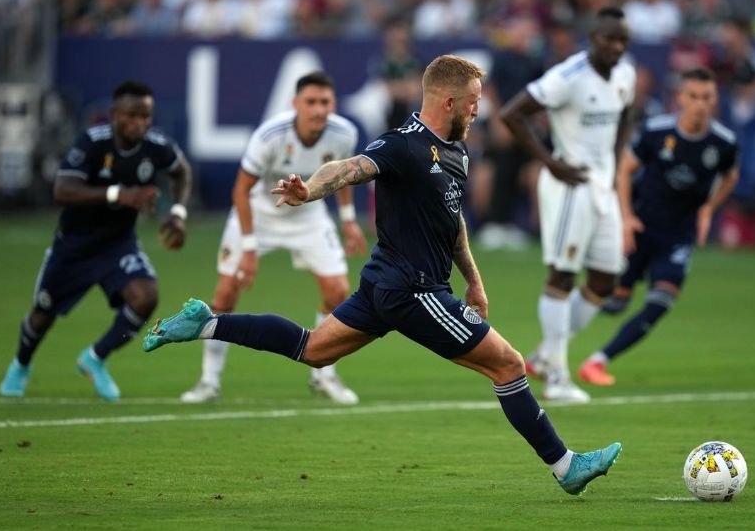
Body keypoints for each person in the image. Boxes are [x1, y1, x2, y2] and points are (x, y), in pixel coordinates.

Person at [145, 54, 621, 496]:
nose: (480, 110)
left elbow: (452, 220)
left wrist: (473, 280)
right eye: (474, 101)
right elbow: (348, 168)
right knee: (509, 365)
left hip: (385, 285)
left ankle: (206, 323)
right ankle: (566, 466)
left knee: (313, 349)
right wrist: (309, 191)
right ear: (448, 101)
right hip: (413, 290)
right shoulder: (403, 144)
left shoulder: (456, 152)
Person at [179, 71, 367, 405]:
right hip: (259, 213)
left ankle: (324, 375)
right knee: (225, 292)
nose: (318, 109)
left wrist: (349, 221)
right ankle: (209, 381)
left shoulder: (344, 133)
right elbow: (241, 190)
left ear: (333, 104)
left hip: (308, 216)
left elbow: (341, 177)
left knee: (338, 291)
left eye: (324, 102)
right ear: (295, 104)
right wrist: (249, 249)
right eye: (311, 102)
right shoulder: (270, 136)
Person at [0, 80, 192, 401]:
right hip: (75, 245)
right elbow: (63, 189)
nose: (140, 123)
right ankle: (20, 364)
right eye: (132, 115)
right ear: (115, 115)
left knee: (146, 296)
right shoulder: (92, 142)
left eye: (145, 116)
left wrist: (179, 213)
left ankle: (95, 358)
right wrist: (119, 194)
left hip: (118, 244)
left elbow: (181, 171)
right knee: (43, 313)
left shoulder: (156, 145)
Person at [500, 7, 637, 403]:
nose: (616, 46)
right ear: (593, 37)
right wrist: (550, 162)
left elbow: (625, 116)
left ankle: (545, 355)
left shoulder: (625, 74)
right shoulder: (568, 76)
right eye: (609, 38)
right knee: (562, 275)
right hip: (569, 185)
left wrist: (613, 164)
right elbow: (512, 113)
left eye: (622, 40)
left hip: (601, 186)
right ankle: (557, 376)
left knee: (606, 278)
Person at [578, 68, 740, 385]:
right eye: (693, 96)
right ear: (681, 98)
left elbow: (730, 175)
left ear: (715, 100)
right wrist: (626, 218)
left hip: (678, 236)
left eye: (706, 97)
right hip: (641, 228)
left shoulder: (723, 143)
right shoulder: (656, 131)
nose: (700, 104)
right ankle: (550, 345)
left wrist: (708, 209)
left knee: (660, 302)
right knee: (613, 301)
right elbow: (625, 170)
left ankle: (597, 362)